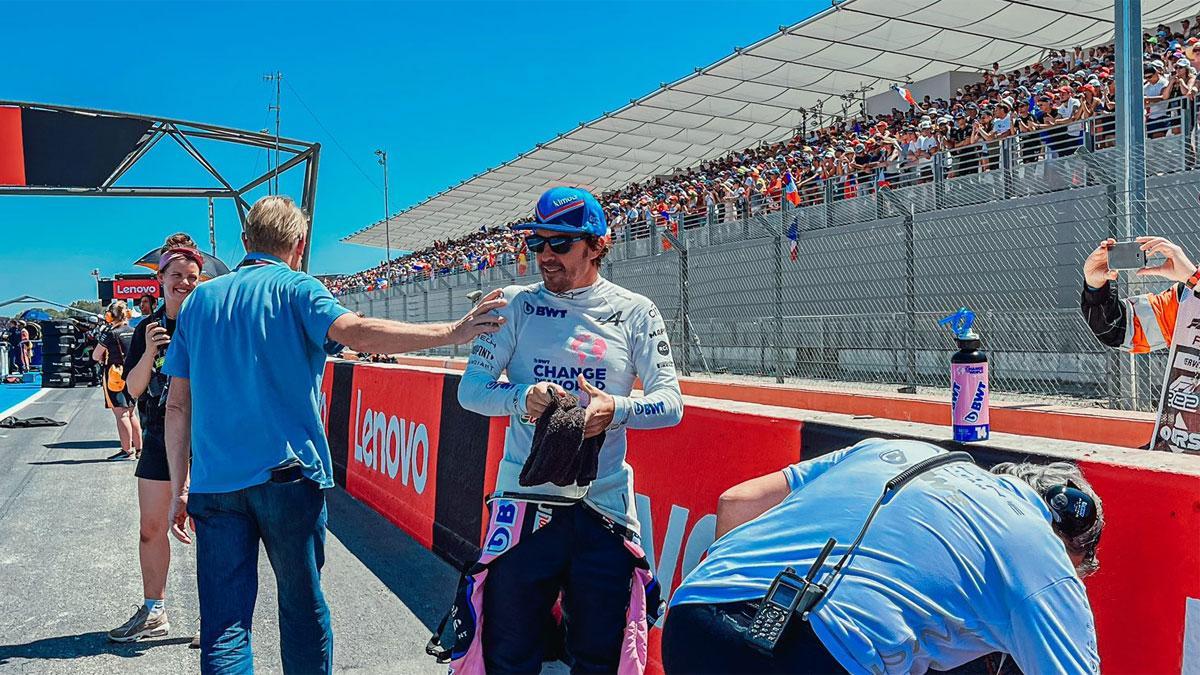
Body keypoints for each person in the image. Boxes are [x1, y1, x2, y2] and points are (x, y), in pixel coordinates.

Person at [162, 195, 505, 673]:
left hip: (216, 485)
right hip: (288, 479)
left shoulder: (198, 301)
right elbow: (358, 332)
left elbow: (177, 405)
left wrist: (180, 486)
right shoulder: (298, 288)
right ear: (299, 244)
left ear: (245, 242)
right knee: (301, 610)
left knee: (224, 627)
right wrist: (454, 330)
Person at [456, 186, 684, 672]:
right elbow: (470, 391)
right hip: (523, 506)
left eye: (559, 244)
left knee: (599, 660)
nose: (545, 256)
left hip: (602, 509)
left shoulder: (637, 311)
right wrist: (522, 399)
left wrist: (616, 408)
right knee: (507, 656)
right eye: (536, 244)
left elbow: (671, 403)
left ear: (597, 244)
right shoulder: (512, 304)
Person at [662, 438, 1103, 674]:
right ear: (1070, 549)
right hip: (821, 655)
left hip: (696, 619)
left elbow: (737, 503)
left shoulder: (891, 448)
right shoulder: (1043, 555)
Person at [107, 247, 204, 644]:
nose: (184, 283)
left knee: (209, 529)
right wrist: (148, 350)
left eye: (192, 277)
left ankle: (212, 616)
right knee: (150, 528)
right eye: (176, 275)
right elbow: (131, 389)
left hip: (203, 442)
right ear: (160, 280)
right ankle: (154, 610)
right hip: (158, 439)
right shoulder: (146, 327)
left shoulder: (208, 323)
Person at [1081, 236, 1200, 451]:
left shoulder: (1194, 284)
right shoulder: (1189, 296)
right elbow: (1118, 329)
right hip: (1177, 451)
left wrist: (1194, 279)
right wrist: (1095, 286)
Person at [93, 302, 142, 461]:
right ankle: (140, 449)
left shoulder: (109, 334)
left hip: (115, 375)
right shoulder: (133, 331)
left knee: (121, 413)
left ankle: (127, 451)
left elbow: (95, 355)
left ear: (110, 316)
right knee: (131, 412)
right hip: (132, 373)